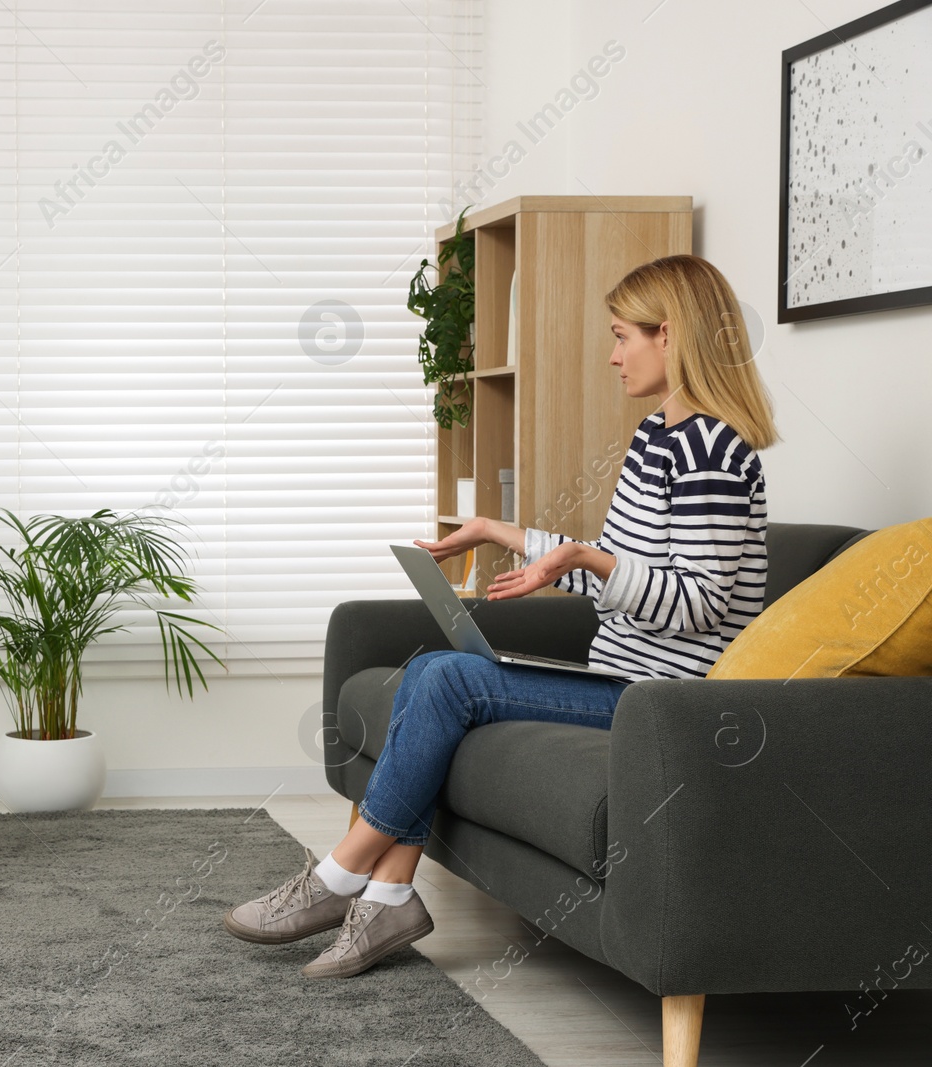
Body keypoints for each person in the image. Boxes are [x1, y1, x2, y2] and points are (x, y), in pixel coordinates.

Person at [224, 254, 780, 979]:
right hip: (622, 678)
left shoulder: (713, 450)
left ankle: (340, 875)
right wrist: (504, 532)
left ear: (669, 335)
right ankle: (389, 892)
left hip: (661, 705)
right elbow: (616, 563)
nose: (612, 356)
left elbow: (697, 602)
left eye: (622, 337)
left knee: (448, 681)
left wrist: (586, 559)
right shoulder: (656, 439)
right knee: (433, 672)